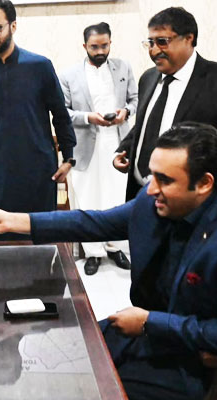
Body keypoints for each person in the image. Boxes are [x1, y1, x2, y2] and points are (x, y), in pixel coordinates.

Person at [0, 122, 217, 399]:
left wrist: (149, 323)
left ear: (204, 184)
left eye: (165, 180)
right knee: (67, 359)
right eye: (152, 174)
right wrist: (16, 221)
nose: (151, 188)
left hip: (205, 365)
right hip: (156, 333)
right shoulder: (157, 198)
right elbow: (96, 222)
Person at [113, 7, 217, 201]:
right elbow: (146, 124)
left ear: (189, 39)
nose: (154, 50)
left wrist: (212, 185)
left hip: (197, 204)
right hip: (144, 196)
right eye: (150, 42)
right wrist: (123, 149)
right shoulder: (148, 78)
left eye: (162, 42)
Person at [0, 0, 76, 241]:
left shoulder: (40, 66)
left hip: (37, 174)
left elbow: (60, 115)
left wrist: (68, 156)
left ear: (13, 26)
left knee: (40, 245)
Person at [59, 22, 136, 274]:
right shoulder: (70, 75)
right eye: (95, 46)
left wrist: (126, 112)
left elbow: (135, 100)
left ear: (111, 43)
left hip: (116, 142)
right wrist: (90, 117)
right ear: (85, 46)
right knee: (88, 199)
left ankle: (115, 248)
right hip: (85, 145)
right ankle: (93, 253)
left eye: (105, 45)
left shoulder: (123, 67)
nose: (100, 50)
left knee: (115, 198)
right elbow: (63, 113)